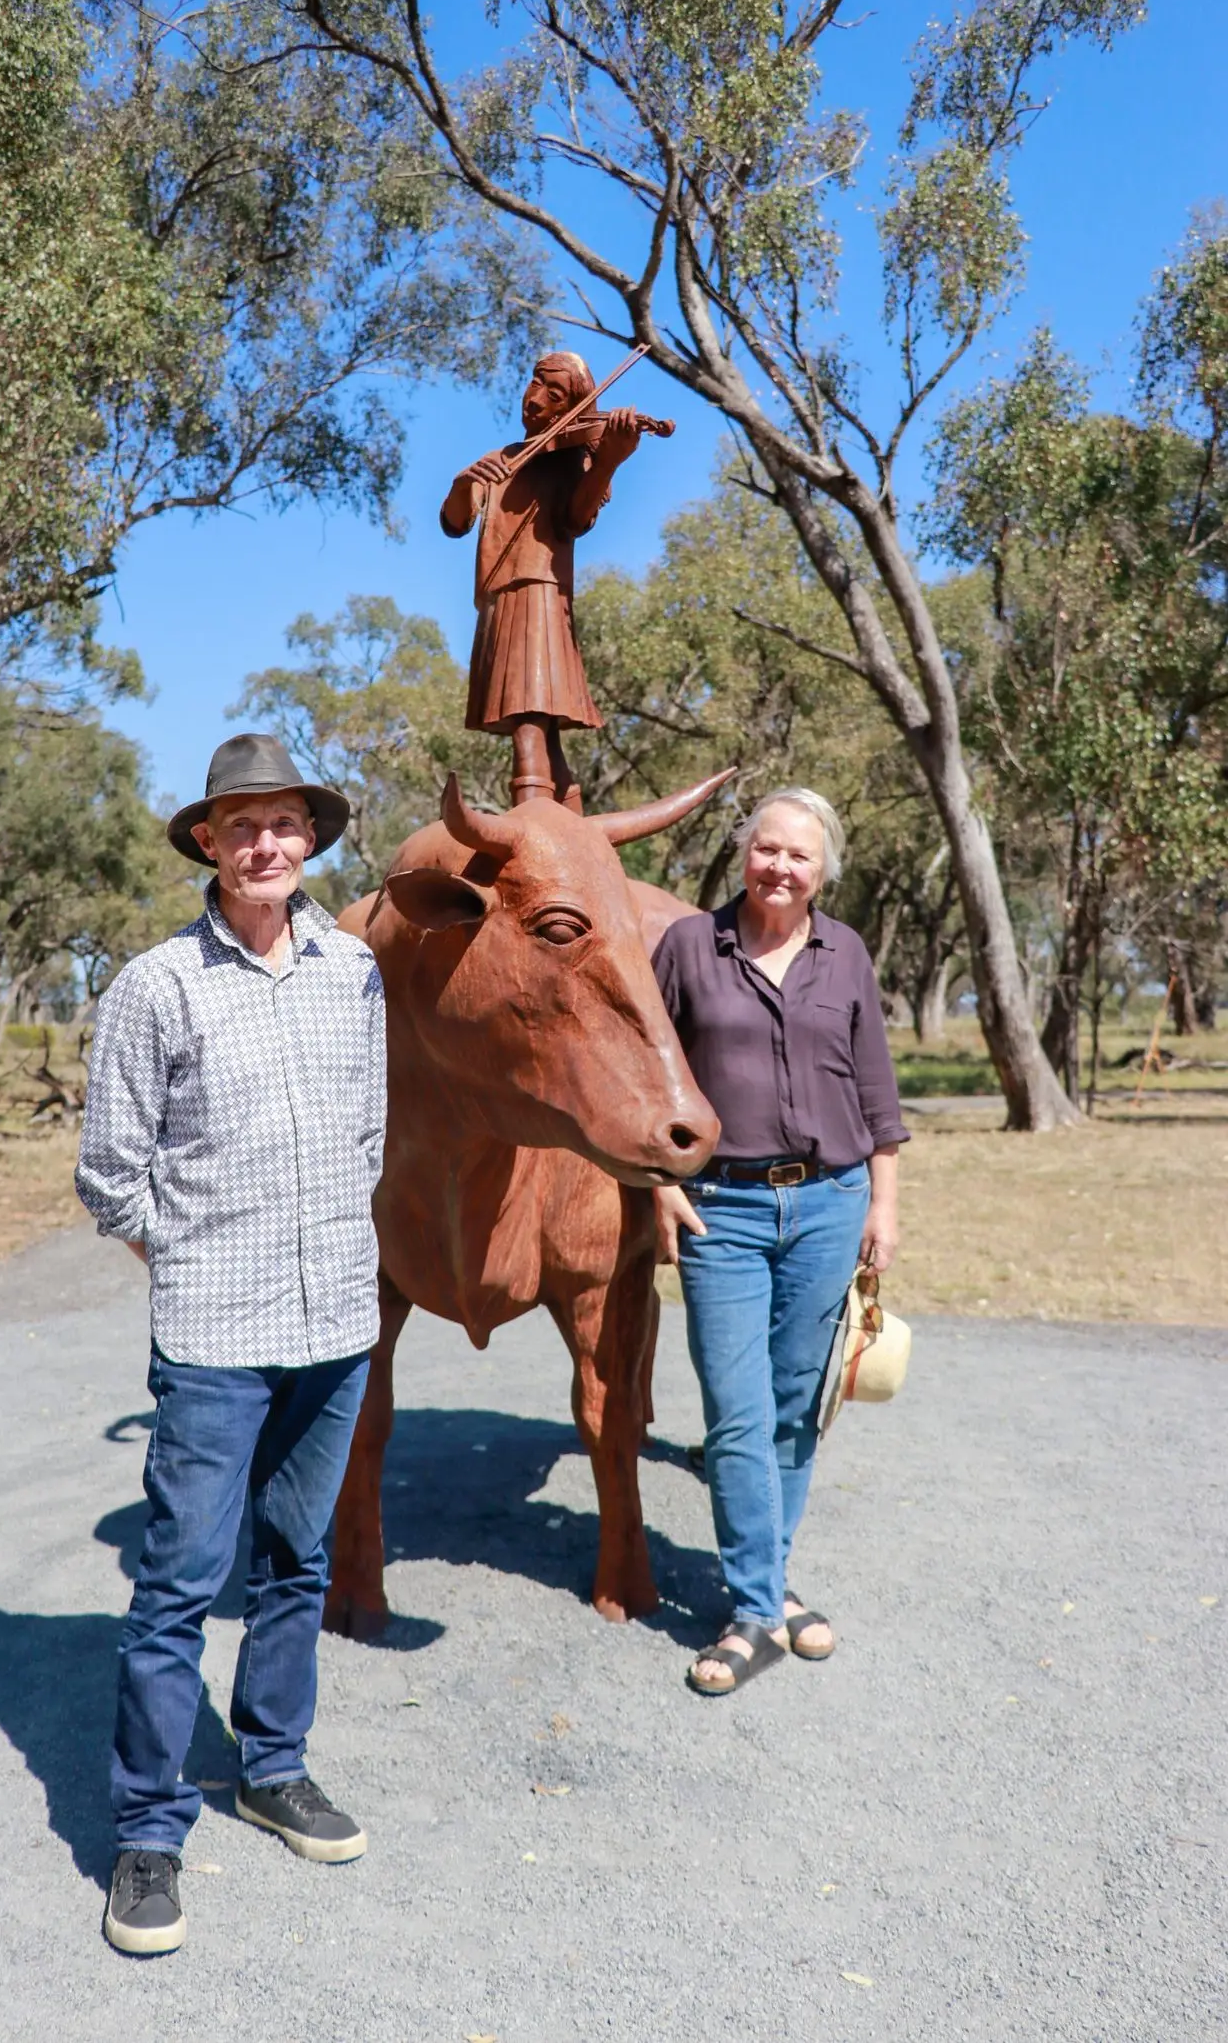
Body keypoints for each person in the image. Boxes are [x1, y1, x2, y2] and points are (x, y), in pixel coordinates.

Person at [75, 732, 386, 1955]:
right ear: (207, 840)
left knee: (296, 1564)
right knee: (177, 1588)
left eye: (286, 824)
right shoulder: (156, 984)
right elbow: (111, 1175)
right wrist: (194, 1260)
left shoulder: (353, 970)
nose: (266, 843)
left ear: (311, 839)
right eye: (241, 824)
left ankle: (271, 1768)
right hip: (213, 1335)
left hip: (336, 1326)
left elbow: (368, 1135)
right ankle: (147, 1835)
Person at [651, 787, 908, 1696]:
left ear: (823, 868)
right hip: (722, 1207)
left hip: (831, 1202)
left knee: (798, 1405)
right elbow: (647, 1075)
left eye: (799, 856)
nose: (780, 868)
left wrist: (883, 1202)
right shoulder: (689, 947)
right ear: (743, 852)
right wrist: (656, 1186)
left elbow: (875, 1088)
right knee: (736, 1410)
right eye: (767, 850)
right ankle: (760, 1610)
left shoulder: (845, 954)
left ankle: (765, 1588)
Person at [440, 349, 649, 804]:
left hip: (540, 595)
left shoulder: (573, 460)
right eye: (536, 383)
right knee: (544, 733)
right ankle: (570, 831)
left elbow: (576, 519)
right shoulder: (501, 461)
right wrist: (463, 482)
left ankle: (536, 829)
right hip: (498, 598)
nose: (536, 399)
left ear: (569, 410)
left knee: (529, 719)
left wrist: (610, 460)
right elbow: (455, 523)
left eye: (553, 394)